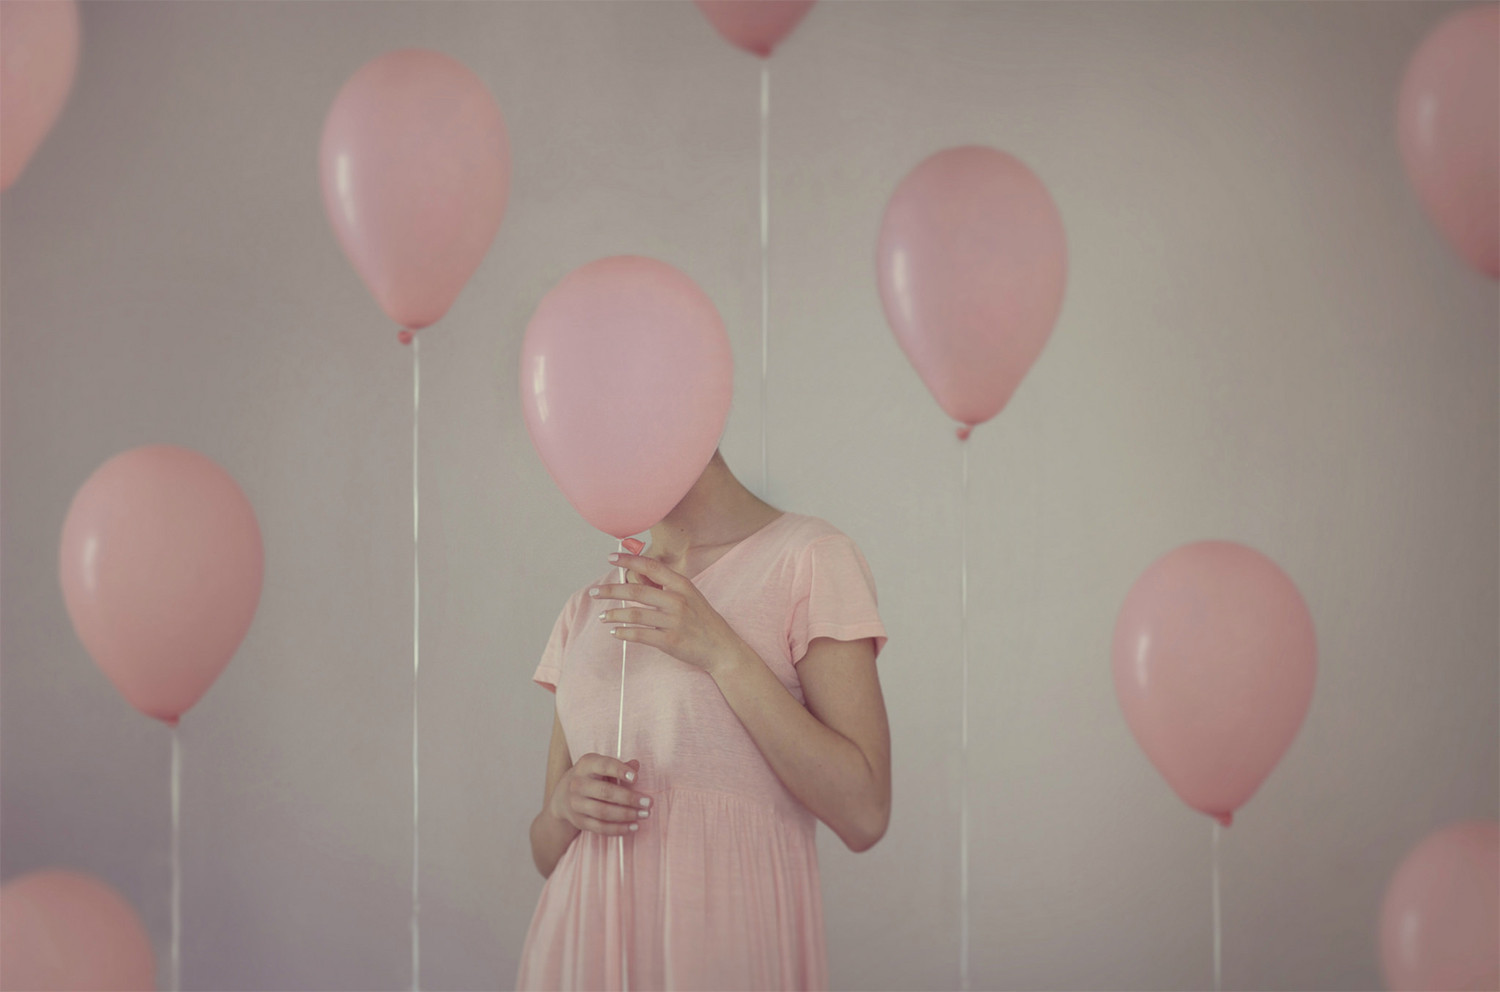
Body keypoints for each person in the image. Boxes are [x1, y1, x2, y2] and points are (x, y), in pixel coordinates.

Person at [518, 449, 890, 991]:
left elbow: (866, 813)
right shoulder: (587, 607)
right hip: (579, 958)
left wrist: (723, 651)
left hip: (724, 952)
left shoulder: (810, 557)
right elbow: (545, 854)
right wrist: (563, 808)